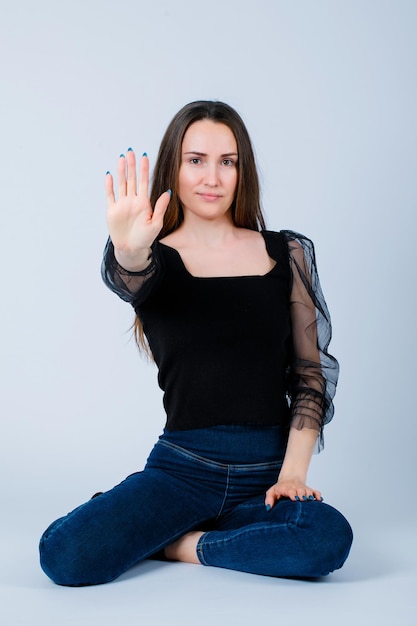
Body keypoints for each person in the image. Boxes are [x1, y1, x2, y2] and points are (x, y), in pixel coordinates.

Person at [39, 100, 353, 586]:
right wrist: (128, 246)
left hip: (268, 473)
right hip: (184, 472)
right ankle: (186, 528)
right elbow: (129, 275)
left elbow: (310, 376)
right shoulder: (154, 259)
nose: (212, 177)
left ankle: (177, 542)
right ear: (174, 167)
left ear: (242, 170)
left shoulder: (286, 253)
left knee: (327, 537)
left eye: (227, 162)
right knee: (64, 554)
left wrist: (292, 475)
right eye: (195, 160)